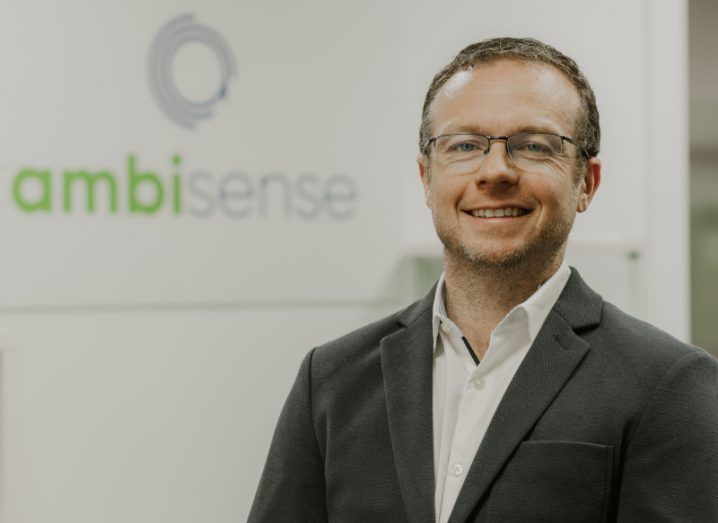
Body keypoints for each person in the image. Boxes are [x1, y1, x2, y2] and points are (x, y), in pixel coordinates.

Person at [248, 37, 718, 522]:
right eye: (465, 145)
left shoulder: (669, 385)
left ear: (586, 183)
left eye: (535, 146)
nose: (495, 171)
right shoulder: (332, 380)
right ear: (426, 179)